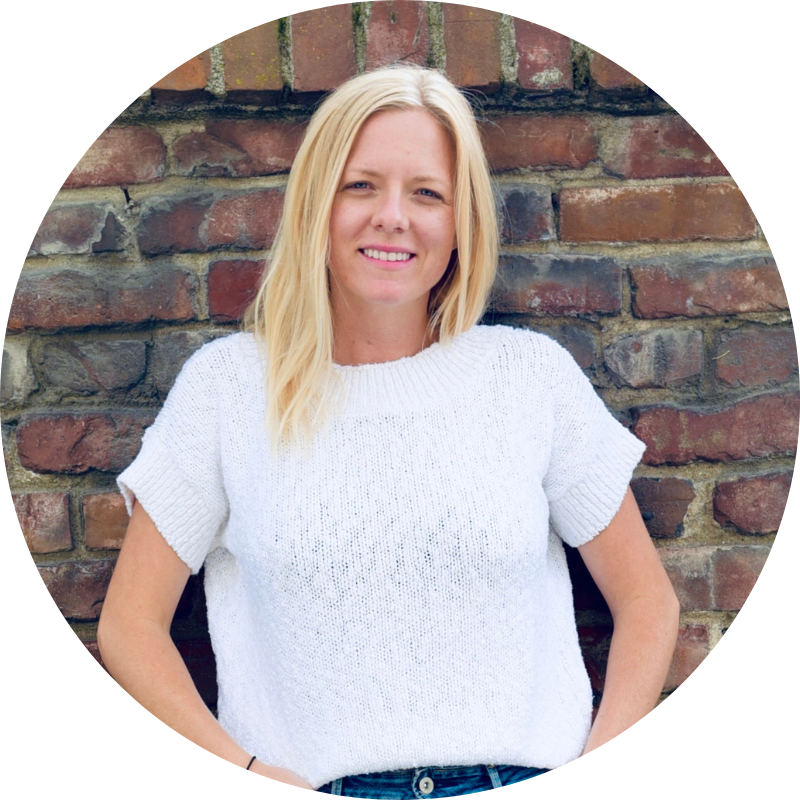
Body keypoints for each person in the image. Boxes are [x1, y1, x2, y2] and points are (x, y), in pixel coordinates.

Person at [97, 64, 680, 796]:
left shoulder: (530, 379)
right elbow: (130, 626)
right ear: (317, 203)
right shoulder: (227, 390)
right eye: (361, 185)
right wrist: (242, 776)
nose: (393, 216)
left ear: (461, 223)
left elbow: (648, 602)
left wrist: (603, 770)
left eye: (427, 193)